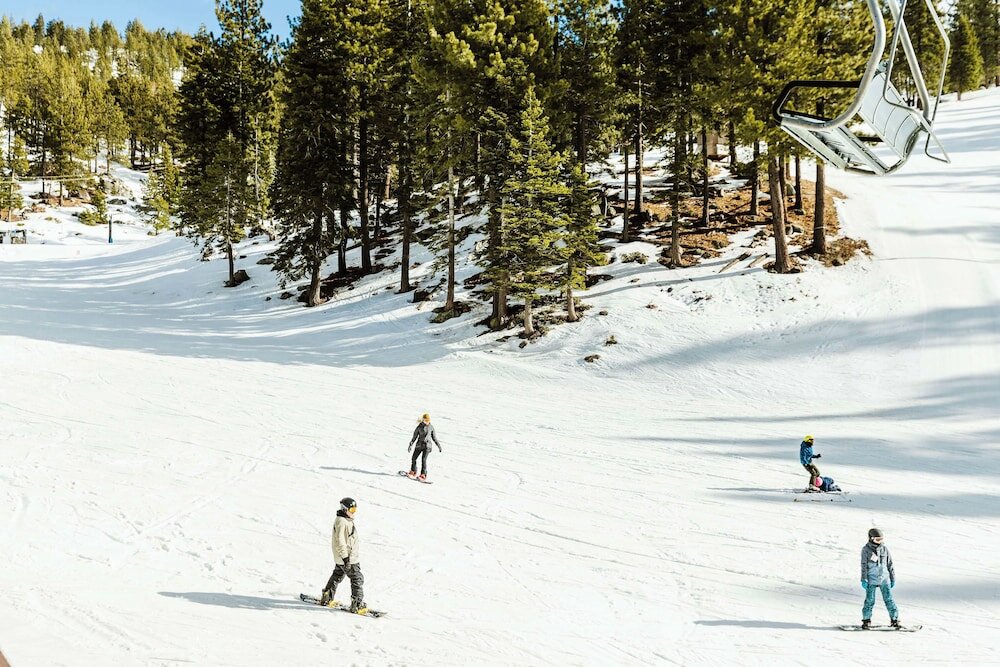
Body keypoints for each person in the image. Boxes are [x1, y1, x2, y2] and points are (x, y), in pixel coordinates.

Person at [319, 498, 367, 614]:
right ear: (345, 509)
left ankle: (327, 596)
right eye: (352, 510)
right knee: (357, 578)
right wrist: (346, 559)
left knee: (338, 575)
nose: (354, 512)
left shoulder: (345, 520)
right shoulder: (342, 522)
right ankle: (357, 604)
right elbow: (340, 541)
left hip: (343, 557)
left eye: (355, 509)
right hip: (348, 558)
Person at [860, 528, 899, 629]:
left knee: (889, 600)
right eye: (877, 539)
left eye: (881, 539)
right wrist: (864, 579)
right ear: (871, 538)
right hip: (871, 579)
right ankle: (866, 620)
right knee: (869, 600)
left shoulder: (884, 549)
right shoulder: (866, 550)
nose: (879, 541)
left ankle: (894, 620)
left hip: (884, 579)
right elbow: (863, 565)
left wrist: (892, 578)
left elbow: (890, 564)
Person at [407, 413, 442, 481]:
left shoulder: (431, 427)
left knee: (423, 459)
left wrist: (439, 446)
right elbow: (414, 437)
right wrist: (410, 445)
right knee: (414, 458)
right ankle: (413, 471)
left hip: (427, 446)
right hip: (419, 445)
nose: (426, 422)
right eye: (425, 420)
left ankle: (423, 474)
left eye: (427, 420)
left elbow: (434, 438)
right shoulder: (419, 427)